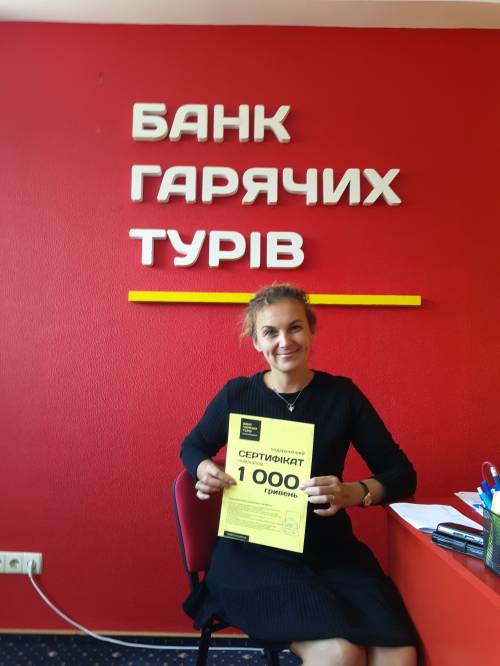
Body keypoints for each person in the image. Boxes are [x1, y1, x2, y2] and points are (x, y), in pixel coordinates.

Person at [181, 283, 418, 666]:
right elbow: (192, 447)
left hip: (331, 554)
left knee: (399, 654)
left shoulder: (342, 396)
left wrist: (355, 492)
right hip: (254, 556)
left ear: (311, 331)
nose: (284, 341)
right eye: (270, 332)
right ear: (256, 342)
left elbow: (402, 475)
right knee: (340, 653)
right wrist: (204, 468)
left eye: (294, 327)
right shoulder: (236, 395)